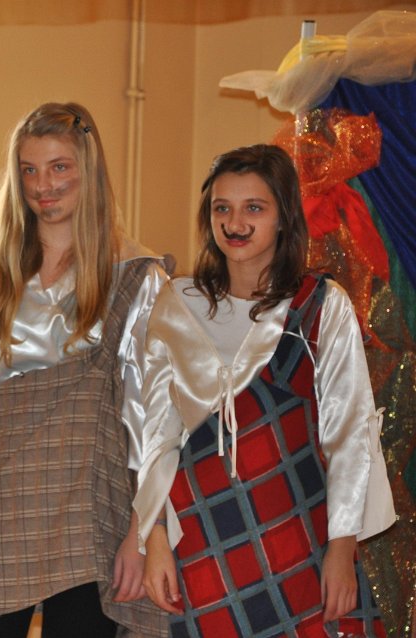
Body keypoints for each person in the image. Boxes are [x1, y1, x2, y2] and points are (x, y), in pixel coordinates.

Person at [0, 102, 170, 637]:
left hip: (92, 503)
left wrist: (141, 532)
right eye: (29, 170)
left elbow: (152, 417)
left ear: (89, 171)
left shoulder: (136, 276)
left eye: (59, 167)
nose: (43, 185)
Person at [133, 144, 396, 637]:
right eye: (222, 208)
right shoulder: (176, 304)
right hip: (205, 542)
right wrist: (156, 538)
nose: (235, 222)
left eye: (254, 207)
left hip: (300, 534)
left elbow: (350, 434)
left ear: (283, 218)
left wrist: (342, 548)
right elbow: (156, 434)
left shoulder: (322, 305)